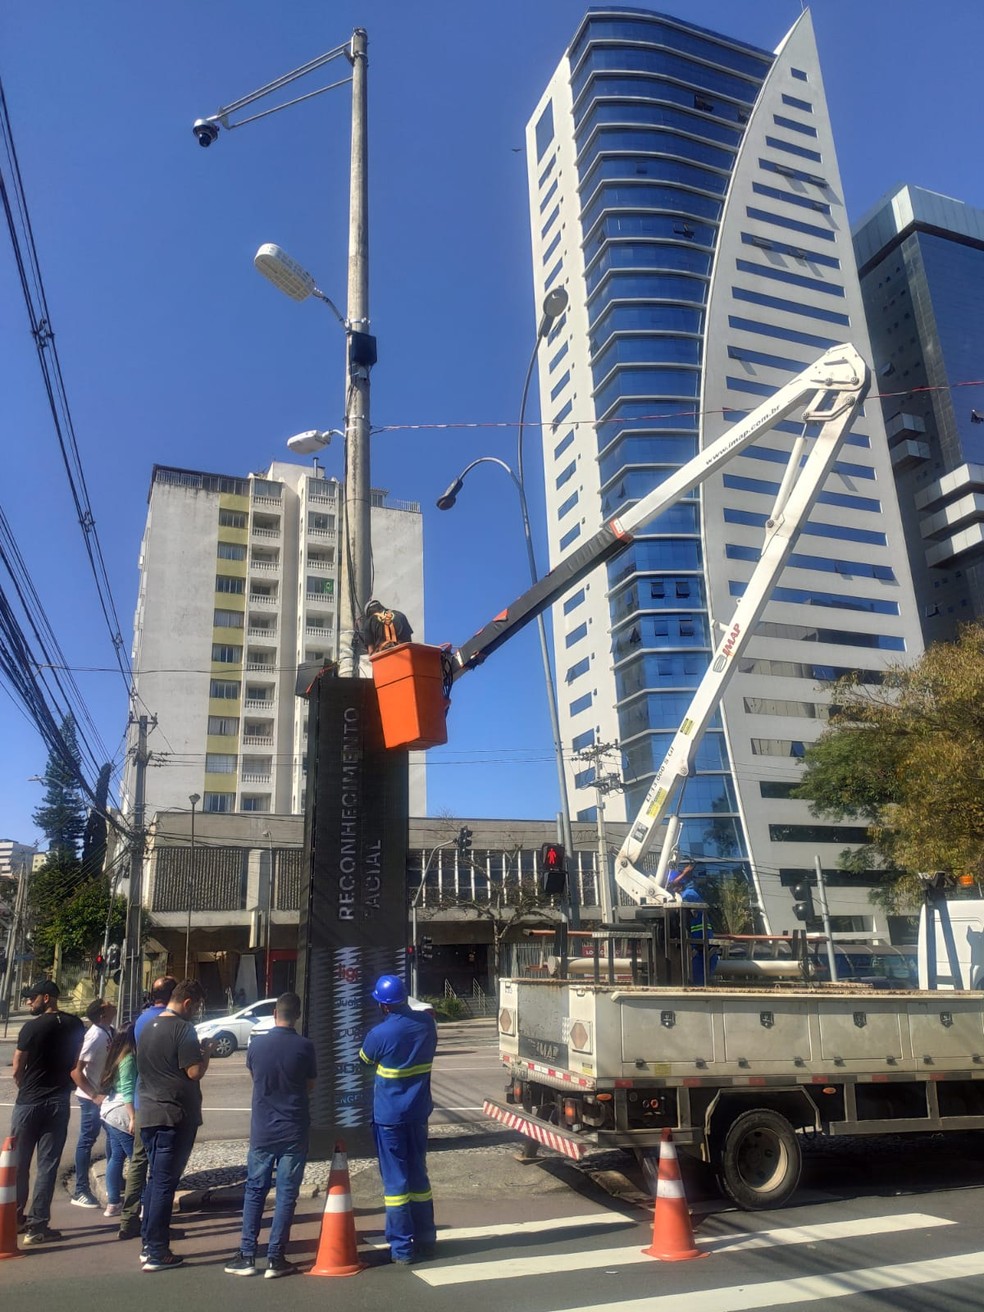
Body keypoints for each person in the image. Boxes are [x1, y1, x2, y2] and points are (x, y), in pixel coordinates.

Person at [224, 992, 316, 1278]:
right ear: (297, 1015)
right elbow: (310, 1085)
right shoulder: (305, 1046)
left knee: (255, 1191)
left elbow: (256, 1077)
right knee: (287, 1194)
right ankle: (276, 1258)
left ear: (275, 1013)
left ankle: (247, 1254)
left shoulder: (257, 1045)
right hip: (294, 1129)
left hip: (263, 1129)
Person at [359, 973, 438, 1265]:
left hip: (389, 1117)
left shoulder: (380, 1034)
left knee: (395, 1183)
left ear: (382, 1005)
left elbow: (364, 1060)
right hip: (418, 1114)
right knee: (419, 1176)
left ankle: (402, 1249)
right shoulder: (427, 1025)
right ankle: (427, 1239)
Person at [135, 978, 210, 1271]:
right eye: (197, 1006)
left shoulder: (147, 1026)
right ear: (188, 1003)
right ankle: (157, 1251)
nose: (197, 1012)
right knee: (165, 1185)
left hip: (149, 1112)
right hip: (174, 1117)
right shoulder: (183, 1029)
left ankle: (148, 1242)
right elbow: (193, 1072)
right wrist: (205, 1053)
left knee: (155, 1182)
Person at [11, 979, 85, 1245]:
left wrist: (23, 1085)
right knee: (47, 1165)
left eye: (32, 998)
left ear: (47, 997)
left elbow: (18, 1065)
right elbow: (76, 1061)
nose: (29, 1002)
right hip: (58, 1101)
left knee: (18, 1163)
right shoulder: (76, 1024)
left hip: (29, 1102)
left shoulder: (32, 1027)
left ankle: (15, 1218)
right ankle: (38, 1225)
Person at [117, 975, 176, 1240]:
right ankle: (155, 1226)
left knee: (139, 1162)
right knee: (160, 1167)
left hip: (143, 1098)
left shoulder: (142, 1019)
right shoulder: (171, 1020)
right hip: (163, 1100)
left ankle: (129, 1219)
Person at [70, 996, 117, 1208]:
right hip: (91, 1099)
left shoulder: (108, 1030)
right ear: (102, 1014)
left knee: (114, 1136)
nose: (112, 1004)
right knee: (87, 1140)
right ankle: (80, 1189)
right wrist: (94, 1095)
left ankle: (113, 1179)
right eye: (108, 1004)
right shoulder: (94, 1036)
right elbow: (76, 1073)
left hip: (104, 1095)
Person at [99, 1024, 138, 1218]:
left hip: (110, 1110)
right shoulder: (129, 1058)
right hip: (122, 1112)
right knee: (137, 1161)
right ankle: (140, 1204)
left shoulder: (117, 1055)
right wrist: (133, 1117)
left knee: (116, 1157)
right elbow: (129, 1091)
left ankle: (113, 1202)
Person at [668, 863, 719, 986]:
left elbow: (673, 887)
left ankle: (699, 985)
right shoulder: (689, 893)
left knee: (700, 969)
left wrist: (684, 874)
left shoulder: (688, 894)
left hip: (699, 936)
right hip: (699, 938)